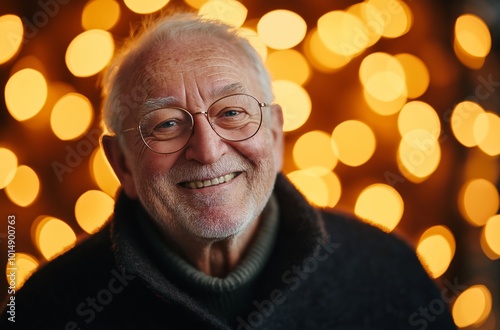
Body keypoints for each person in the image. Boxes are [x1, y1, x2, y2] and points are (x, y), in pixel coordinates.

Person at [1, 12, 456, 329]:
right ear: (123, 164)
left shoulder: (387, 275)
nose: (207, 149)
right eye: (166, 124)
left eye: (232, 113)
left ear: (275, 136)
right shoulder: (48, 308)